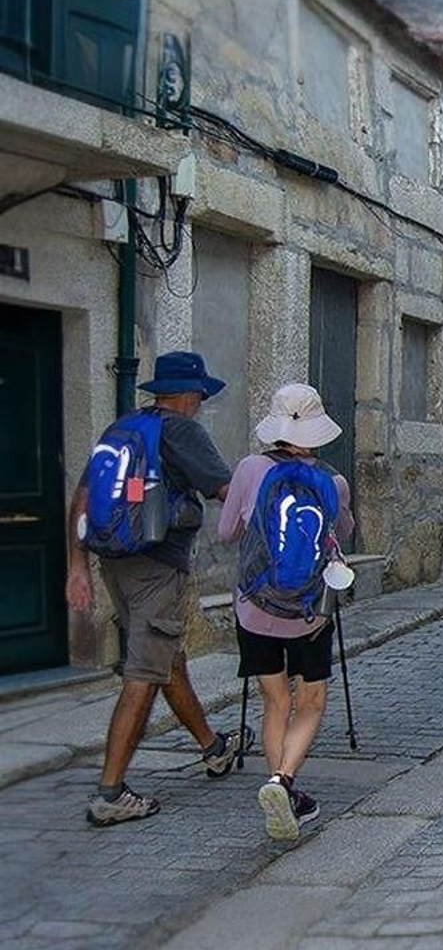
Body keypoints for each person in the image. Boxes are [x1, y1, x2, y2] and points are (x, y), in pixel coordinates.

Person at [66, 351, 242, 826]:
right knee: (144, 673)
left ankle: (213, 748)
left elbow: (82, 500)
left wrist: (76, 566)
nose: (202, 403)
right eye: (201, 395)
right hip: (158, 569)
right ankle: (111, 792)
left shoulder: (122, 429)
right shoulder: (181, 430)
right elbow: (226, 491)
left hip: (114, 565)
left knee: (168, 660)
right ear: (190, 394)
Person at [218, 383, 354, 842]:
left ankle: (278, 786)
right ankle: (284, 782)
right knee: (310, 701)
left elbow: (226, 533)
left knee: (275, 700)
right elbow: (344, 532)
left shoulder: (249, 468)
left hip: (255, 607)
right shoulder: (333, 481)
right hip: (310, 613)